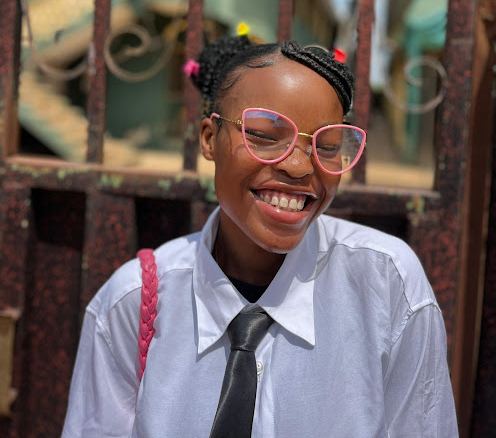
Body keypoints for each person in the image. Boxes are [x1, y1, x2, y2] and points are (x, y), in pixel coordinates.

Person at [62, 33, 458, 437]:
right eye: (266, 136)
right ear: (210, 139)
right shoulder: (132, 304)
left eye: (327, 146)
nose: (300, 167)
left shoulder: (387, 287)